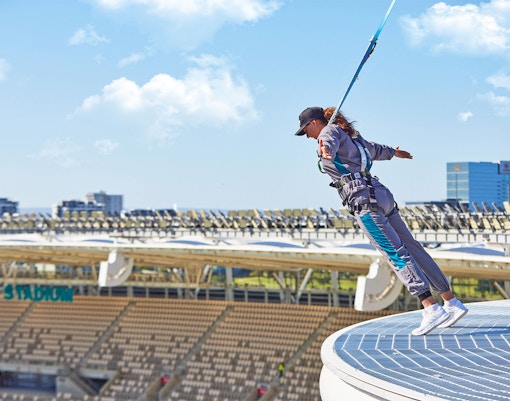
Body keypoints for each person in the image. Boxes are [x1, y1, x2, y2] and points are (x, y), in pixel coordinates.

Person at [294, 106, 468, 335]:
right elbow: (378, 149)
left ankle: (430, 307)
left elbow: (328, 144)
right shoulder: (353, 137)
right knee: (414, 249)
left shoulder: (328, 133)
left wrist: (325, 150)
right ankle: (451, 302)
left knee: (395, 253)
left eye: (305, 130)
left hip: (363, 201)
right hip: (381, 195)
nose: (307, 136)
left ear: (314, 123)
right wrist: (396, 153)